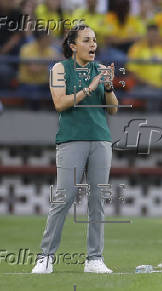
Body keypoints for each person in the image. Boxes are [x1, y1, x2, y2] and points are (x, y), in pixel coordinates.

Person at [32, 24, 119, 274]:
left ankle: (94, 259)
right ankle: (45, 257)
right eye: (87, 40)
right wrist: (90, 87)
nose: (93, 45)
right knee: (63, 198)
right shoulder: (59, 69)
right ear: (73, 45)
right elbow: (60, 103)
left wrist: (109, 87)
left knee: (97, 200)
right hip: (71, 139)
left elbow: (112, 109)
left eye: (94, 40)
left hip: (100, 139)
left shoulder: (101, 69)